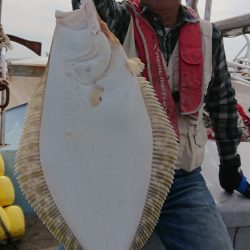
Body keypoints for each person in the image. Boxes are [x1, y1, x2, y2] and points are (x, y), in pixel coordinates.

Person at [59, 0, 250, 249]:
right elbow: (92, 5)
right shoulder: (118, 19)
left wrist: (230, 164)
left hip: (182, 183)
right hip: (115, 180)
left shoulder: (208, 35)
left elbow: (222, 102)